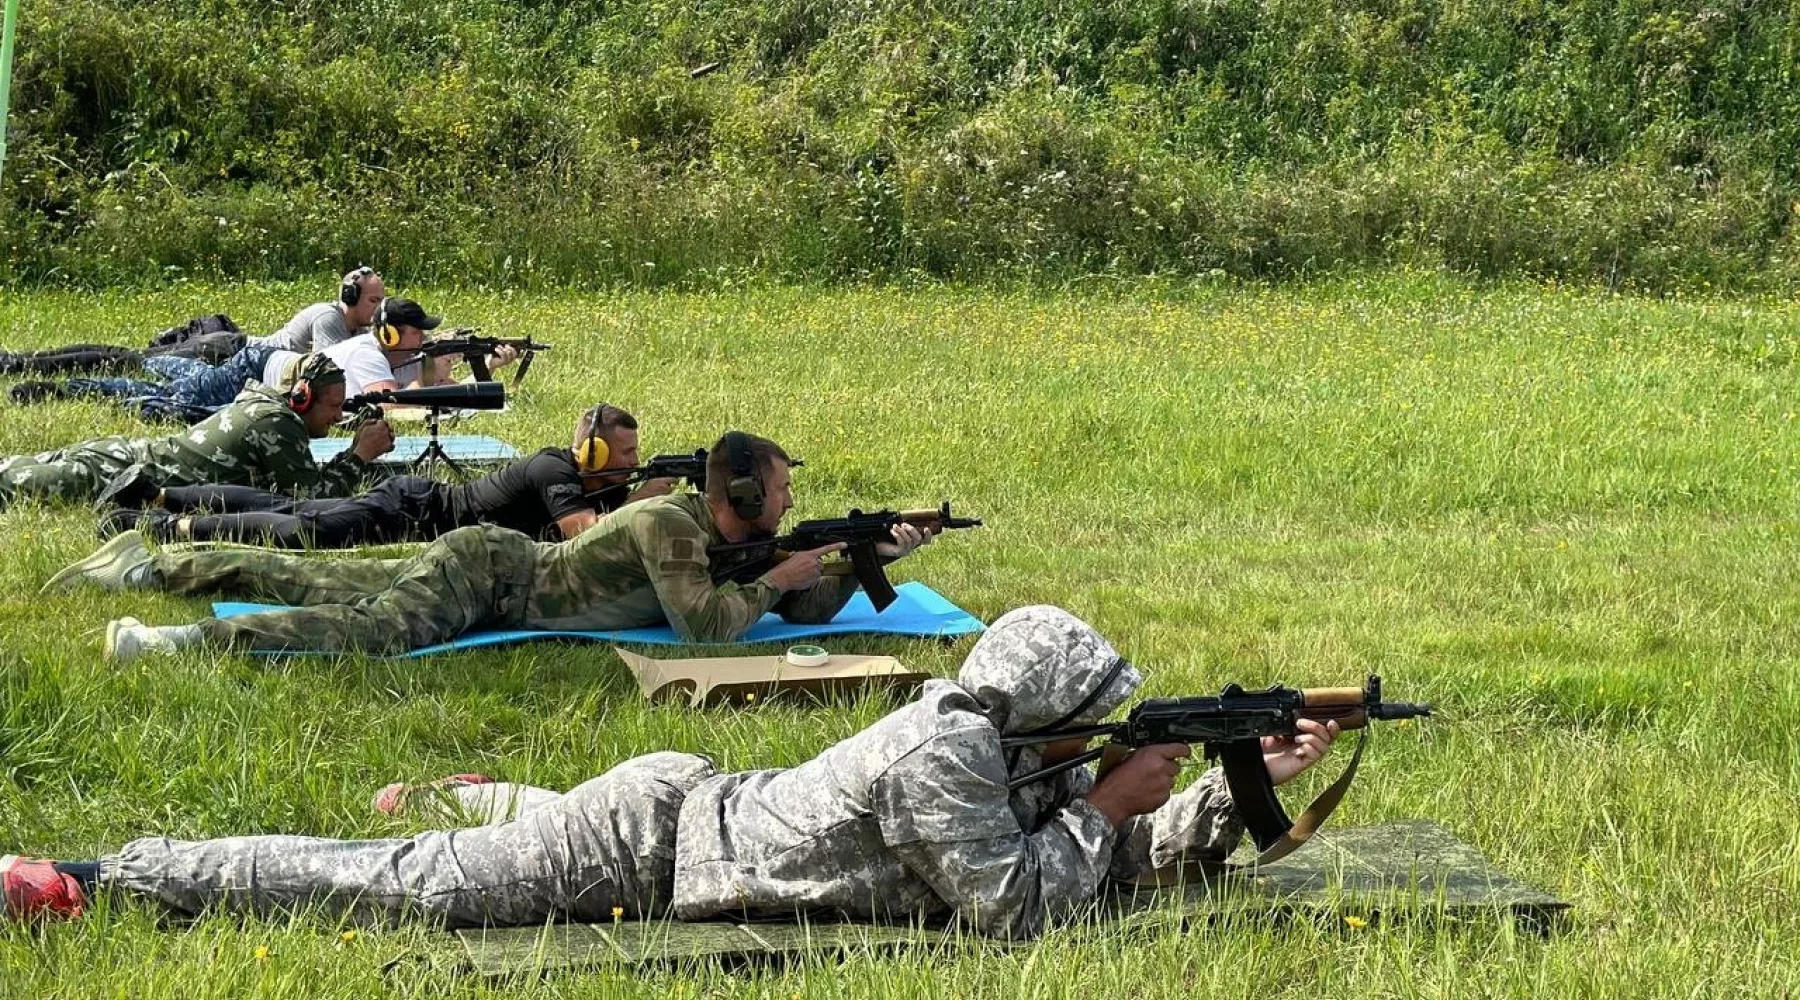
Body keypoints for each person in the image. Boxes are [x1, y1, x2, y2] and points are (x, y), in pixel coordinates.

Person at [0, 607, 1341, 938]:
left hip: (692, 806)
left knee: (470, 847)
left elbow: (1115, 849)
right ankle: (98, 878)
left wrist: (1230, 786)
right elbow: (1019, 908)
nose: (1104, 743)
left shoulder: (1011, 744)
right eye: (1097, 722)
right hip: (649, 848)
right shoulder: (951, 754)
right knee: (403, 889)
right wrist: (1115, 803)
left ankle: (483, 796)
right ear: (1050, 710)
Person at [47, 431, 930, 659]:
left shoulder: (715, 537)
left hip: (497, 567)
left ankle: (155, 561)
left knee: (314, 572)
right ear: (740, 495)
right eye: (780, 491)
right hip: (495, 578)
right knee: (369, 627)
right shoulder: (671, 527)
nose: (789, 500)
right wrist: (777, 575)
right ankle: (186, 635)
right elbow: (708, 626)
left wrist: (866, 564)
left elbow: (792, 600)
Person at [100, 403, 676, 547]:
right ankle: (160, 525)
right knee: (306, 528)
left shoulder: (603, 484)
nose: (631, 462)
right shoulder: (557, 468)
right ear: (593, 454)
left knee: (290, 508)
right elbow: (582, 532)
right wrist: (644, 502)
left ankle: (159, 492)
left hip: (422, 513)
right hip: (415, 512)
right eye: (623, 453)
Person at [0, 355, 394, 509]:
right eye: (333, 406)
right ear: (303, 397)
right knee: (10, 486)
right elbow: (311, 500)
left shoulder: (271, 412)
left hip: (124, 459)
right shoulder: (276, 424)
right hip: (113, 474)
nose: (338, 415)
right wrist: (359, 455)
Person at [248, 266, 387, 352]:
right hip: (244, 352)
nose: (379, 307)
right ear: (350, 297)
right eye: (373, 300)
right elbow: (332, 369)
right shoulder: (327, 317)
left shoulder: (361, 329)